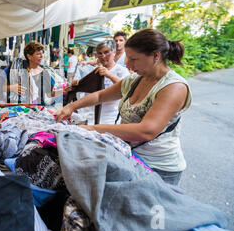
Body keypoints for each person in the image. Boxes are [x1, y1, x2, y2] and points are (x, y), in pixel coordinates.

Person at [55, 29, 191, 185]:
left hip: (159, 168)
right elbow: (100, 96)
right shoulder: (135, 80)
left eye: (134, 59)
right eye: (127, 58)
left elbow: (146, 131)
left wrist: (92, 129)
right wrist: (70, 107)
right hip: (130, 157)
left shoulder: (173, 87)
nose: (127, 64)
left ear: (156, 56)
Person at [69, 40, 130, 124]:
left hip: (109, 120)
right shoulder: (92, 71)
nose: (103, 56)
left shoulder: (122, 71)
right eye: (100, 53)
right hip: (88, 117)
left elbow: (127, 88)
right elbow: (83, 92)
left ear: (114, 52)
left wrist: (109, 74)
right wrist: (76, 85)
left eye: (106, 52)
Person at [0, 41, 62, 105]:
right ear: (29, 56)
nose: (41, 56)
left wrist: (64, 91)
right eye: (38, 54)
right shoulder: (15, 68)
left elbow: (49, 94)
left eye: (42, 53)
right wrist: (11, 87)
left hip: (37, 111)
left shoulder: (45, 72)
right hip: (18, 109)